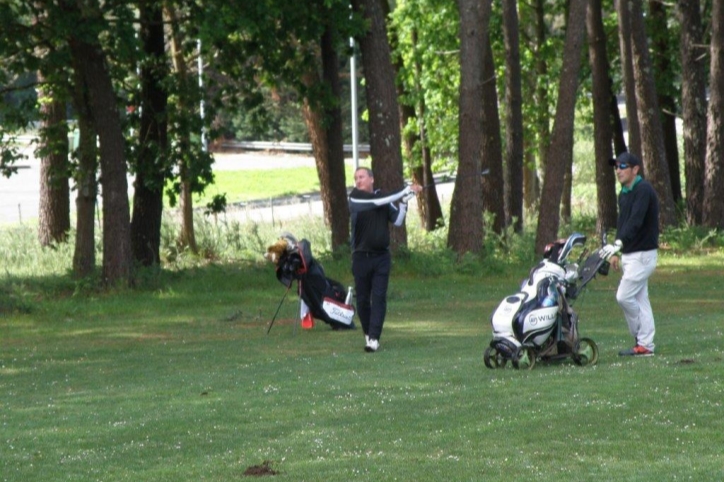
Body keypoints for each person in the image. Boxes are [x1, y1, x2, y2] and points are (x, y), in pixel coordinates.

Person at [348, 167, 422, 353]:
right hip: (360, 258)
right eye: (356, 178)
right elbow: (378, 201)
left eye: (362, 177)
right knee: (363, 300)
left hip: (381, 258)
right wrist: (404, 190)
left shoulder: (383, 199)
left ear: (372, 179)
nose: (358, 181)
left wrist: (404, 202)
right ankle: (368, 333)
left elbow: (397, 220)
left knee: (379, 297)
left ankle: (374, 338)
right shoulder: (355, 198)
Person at [600, 152, 659, 357]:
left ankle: (640, 336)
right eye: (616, 167)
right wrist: (617, 251)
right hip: (630, 254)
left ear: (635, 169)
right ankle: (645, 345)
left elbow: (636, 221)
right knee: (641, 299)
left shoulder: (643, 190)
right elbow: (623, 222)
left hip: (643, 255)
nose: (618, 170)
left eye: (623, 166)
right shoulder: (624, 192)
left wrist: (618, 243)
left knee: (624, 296)